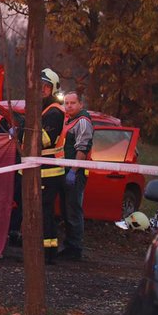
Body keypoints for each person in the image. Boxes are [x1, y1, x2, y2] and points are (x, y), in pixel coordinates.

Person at [57, 90, 93, 261]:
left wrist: (73, 171)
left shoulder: (83, 122)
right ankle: (69, 245)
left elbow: (82, 148)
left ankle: (75, 248)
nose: (69, 106)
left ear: (81, 104)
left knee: (73, 211)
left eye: (72, 103)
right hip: (64, 170)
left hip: (75, 173)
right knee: (66, 210)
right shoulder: (69, 120)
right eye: (67, 103)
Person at [37, 68, 66, 263]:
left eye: (45, 87)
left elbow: (43, 140)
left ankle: (48, 255)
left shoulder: (54, 112)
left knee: (45, 212)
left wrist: (22, 130)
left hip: (49, 171)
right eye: (39, 86)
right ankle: (47, 251)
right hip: (43, 169)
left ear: (53, 89)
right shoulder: (44, 108)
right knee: (42, 212)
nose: (41, 89)